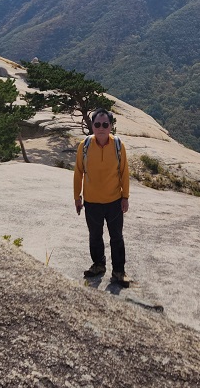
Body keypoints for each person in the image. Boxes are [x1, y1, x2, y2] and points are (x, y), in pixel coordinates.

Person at [73, 108, 131, 286]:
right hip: (92, 202)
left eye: (105, 124)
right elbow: (78, 172)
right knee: (95, 236)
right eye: (97, 124)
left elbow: (124, 173)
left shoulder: (118, 145)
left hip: (114, 201)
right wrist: (77, 197)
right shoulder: (85, 145)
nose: (101, 128)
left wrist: (125, 197)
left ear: (111, 126)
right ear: (92, 126)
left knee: (117, 238)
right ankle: (98, 265)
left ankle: (119, 271)